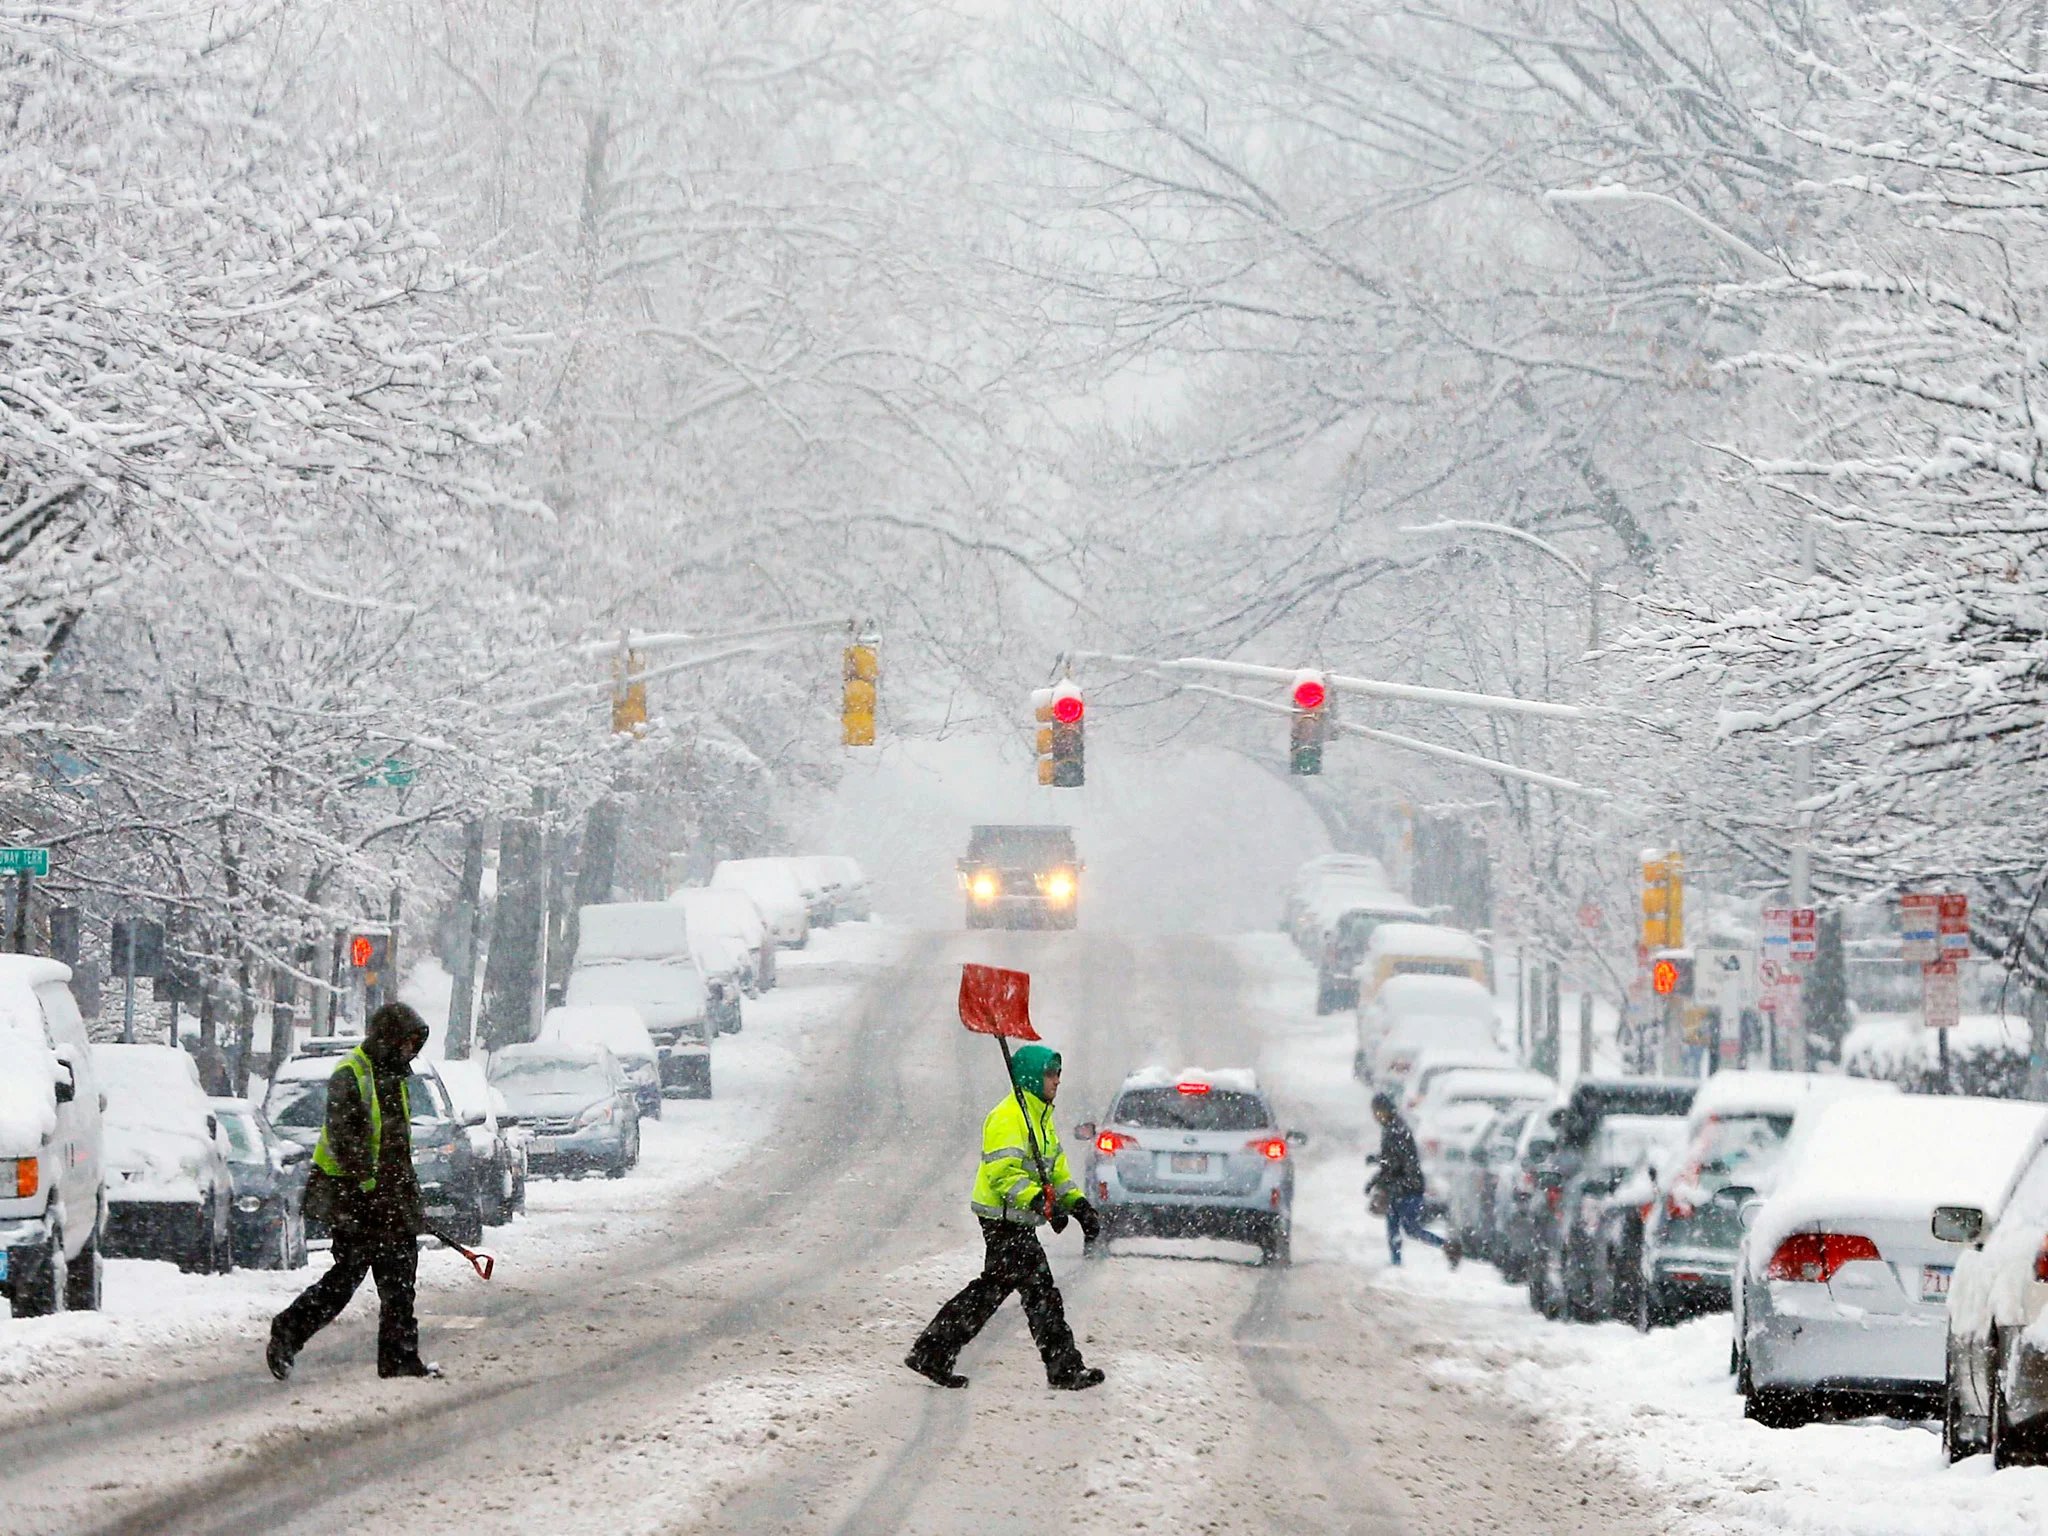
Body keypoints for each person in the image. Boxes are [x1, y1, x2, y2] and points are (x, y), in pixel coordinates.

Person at [905, 1043, 1106, 1391]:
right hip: (1002, 1217)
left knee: (996, 1289)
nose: (1057, 1081)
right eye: (1050, 1073)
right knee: (1039, 1292)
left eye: (1058, 1073)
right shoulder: (1008, 1116)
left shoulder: (1039, 1116)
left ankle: (933, 1352)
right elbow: (1002, 1173)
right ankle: (1064, 1368)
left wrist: (1077, 1205)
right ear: (1031, 1077)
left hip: (1018, 1218)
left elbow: (1055, 1170)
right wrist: (1036, 1201)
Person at [267, 1002, 440, 1381]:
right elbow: (348, 1142)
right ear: (389, 1039)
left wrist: (406, 1198)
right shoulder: (351, 1073)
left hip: (388, 1199)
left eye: (415, 1044)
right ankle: (287, 1330)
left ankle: (399, 1358)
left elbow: (395, 1145)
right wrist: (370, 1187)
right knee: (346, 1278)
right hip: (353, 1200)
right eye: (408, 1042)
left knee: (400, 1281)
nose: (412, 1051)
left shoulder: (395, 1077)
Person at [1367, 1091, 1461, 1269]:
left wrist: (1380, 1168)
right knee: (1395, 1226)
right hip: (1401, 1185)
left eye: (1377, 1111)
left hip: (1407, 1187)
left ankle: (1447, 1246)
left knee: (1409, 1228)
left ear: (1384, 1110)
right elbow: (1392, 1161)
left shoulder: (1396, 1130)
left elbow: (1396, 1161)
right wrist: (1378, 1176)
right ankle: (1397, 1261)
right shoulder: (1392, 1128)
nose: (1375, 1116)